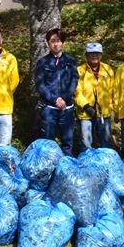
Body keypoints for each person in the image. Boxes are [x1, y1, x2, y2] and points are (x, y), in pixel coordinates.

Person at [35, 28, 78, 156]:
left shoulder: (70, 61)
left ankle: (67, 170)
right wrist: (55, 100)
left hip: (67, 108)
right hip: (49, 109)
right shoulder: (42, 62)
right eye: (52, 41)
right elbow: (40, 85)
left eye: (58, 41)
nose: (55, 44)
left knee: (68, 142)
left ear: (62, 43)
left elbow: (74, 82)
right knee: (48, 143)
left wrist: (64, 99)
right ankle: (49, 171)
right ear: (48, 43)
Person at [74, 42, 114, 151]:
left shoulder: (108, 69)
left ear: (101, 55)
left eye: (97, 53)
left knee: (106, 142)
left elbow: (112, 90)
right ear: (86, 55)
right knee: (86, 143)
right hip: (85, 113)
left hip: (104, 114)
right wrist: (86, 106)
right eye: (91, 53)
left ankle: (107, 164)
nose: (94, 56)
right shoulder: (80, 70)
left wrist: (111, 107)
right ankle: (86, 165)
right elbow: (77, 91)